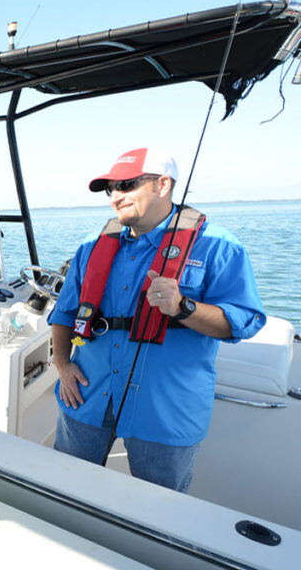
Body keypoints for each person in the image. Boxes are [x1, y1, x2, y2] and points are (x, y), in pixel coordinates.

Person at [48, 147, 265, 493]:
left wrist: (183, 307)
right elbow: (64, 312)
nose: (116, 197)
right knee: (64, 489)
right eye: (111, 189)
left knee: (162, 510)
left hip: (166, 411)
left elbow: (244, 321)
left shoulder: (217, 246)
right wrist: (60, 362)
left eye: (127, 185)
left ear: (163, 185)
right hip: (88, 396)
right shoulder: (92, 246)